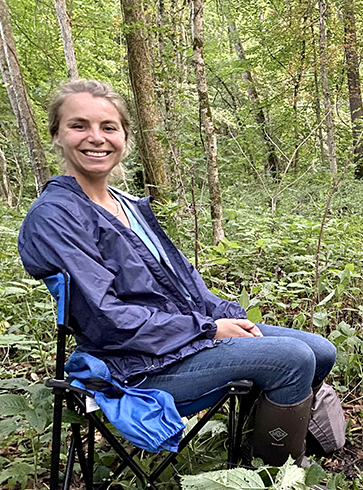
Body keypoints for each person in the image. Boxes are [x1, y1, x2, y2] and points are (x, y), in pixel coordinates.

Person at [17, 79, 336, 466]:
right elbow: (105, 319)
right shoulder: (55, 217)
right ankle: (274, 482)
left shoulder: (127, 204)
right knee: (293, 359)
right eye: (79, 125)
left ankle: (258, 446)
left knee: (321, 351)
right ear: (57, 135)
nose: (96, 138)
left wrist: (224, 317)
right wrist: (208, 330)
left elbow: (183, 283)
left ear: (124, 137)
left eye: (108, 127)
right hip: (134, 365)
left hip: (178, 338)